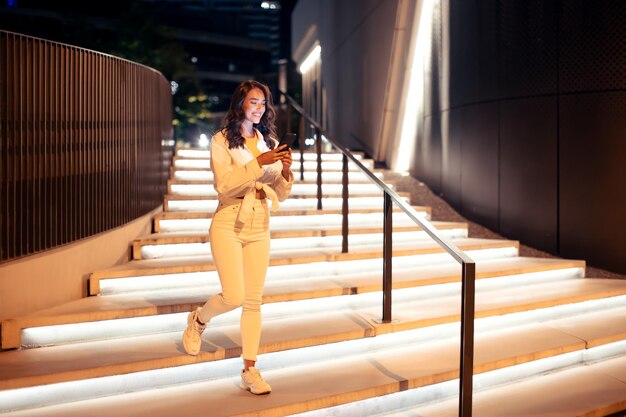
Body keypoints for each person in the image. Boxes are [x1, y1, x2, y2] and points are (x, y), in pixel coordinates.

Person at [182, 80, 293, 395]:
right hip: (229, 220)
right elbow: (225, 186)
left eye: (263, 103)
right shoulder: (221, 141)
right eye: (253, 102)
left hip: (260, 222)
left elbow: (281, 194)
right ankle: (198, 321)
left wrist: (285, 172)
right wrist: (259, 164)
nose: (259, 108)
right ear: (240, 104)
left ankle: (250, 368)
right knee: (233, 296)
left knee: (254, 301)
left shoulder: (267, 141)